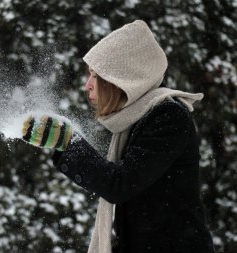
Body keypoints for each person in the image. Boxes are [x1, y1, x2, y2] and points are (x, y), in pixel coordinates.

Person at [21, 20, 215, 253]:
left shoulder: (169, 116)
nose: (88, 85)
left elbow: (120, 183)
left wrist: (67, 142)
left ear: (124, 78)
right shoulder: (135, 120)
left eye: (97, 76)